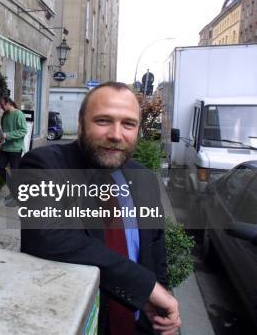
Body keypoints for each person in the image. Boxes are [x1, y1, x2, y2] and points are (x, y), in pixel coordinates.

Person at [20, 82, 181, 335]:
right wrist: (146, 287)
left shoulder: (145, 179)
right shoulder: (43, 165)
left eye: (128, 124)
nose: (116, 134)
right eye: (103, 121)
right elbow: (46, 235)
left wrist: (162, 294)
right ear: (81, 123)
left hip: (142, 324)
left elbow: (155, 247)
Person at [0, 96, 27, 204]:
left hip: (16, 148)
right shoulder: (5, 115)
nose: (2, 107)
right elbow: (2, 130)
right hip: (5, 147)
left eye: (3, 105)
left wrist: (8, 135)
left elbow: (23, 131)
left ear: (8, 103)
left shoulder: (19, 114)